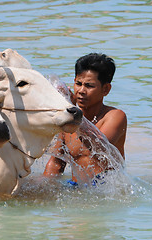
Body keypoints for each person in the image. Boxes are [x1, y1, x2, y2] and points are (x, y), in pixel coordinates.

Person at [43, 53, 127, 185]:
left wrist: (71, 109)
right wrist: (43, 186)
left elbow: (98, 147)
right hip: (76, 188)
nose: (81, 90)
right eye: (78, 83)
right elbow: (56, 162)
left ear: (106, 89)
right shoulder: (69, 119)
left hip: (105, 188)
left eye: (89, 86)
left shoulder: (115, 116)